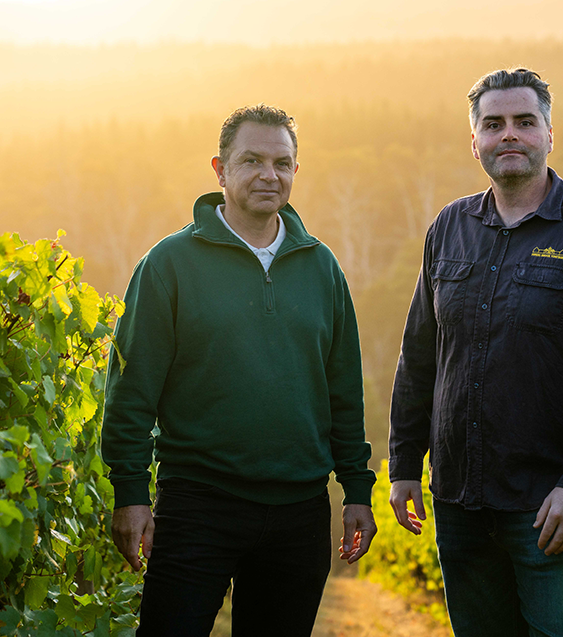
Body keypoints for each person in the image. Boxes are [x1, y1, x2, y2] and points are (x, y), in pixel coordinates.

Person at [387, 68, 563, 637]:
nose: (509, 135)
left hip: (549, 512)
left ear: (550, 134)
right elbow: (420, 356)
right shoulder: (448, 229)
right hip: (459, 505)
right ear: (474, 139)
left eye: (525, 122)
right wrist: (405, 463)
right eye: (493, 124)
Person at [102, 104, 377, 637]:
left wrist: (358, 491)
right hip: (197, 504)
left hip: (299, 512)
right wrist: (130, 492)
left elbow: (343, 393)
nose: (268, 175)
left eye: (282, 162)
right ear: (219, 169)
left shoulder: (321, 267)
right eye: (251, 160)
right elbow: (132, 391)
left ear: (297, 170)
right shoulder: (169, 264)